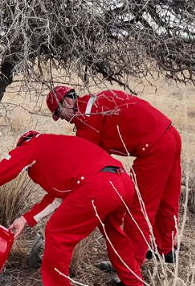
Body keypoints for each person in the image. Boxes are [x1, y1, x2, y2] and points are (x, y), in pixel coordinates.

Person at [0, 131, 144, 286]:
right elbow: (58, 197)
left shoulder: (33, 145)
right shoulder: (59, 146)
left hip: (97, 186)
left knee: (58, 234)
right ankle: (133, 282)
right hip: (122, 182)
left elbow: (6, 167)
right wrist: (25, 219)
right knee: (113, 232)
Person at [47, 86, 182, 265]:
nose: (62, 119)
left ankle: (130, 265)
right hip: (170, 134)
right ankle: (166, 249)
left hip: (155, 147)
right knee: (166, 199)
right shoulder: (95, 102)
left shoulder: (88, 120)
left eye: (59, 113)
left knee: (138, 205)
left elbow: (83, 165)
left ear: (67, 102)